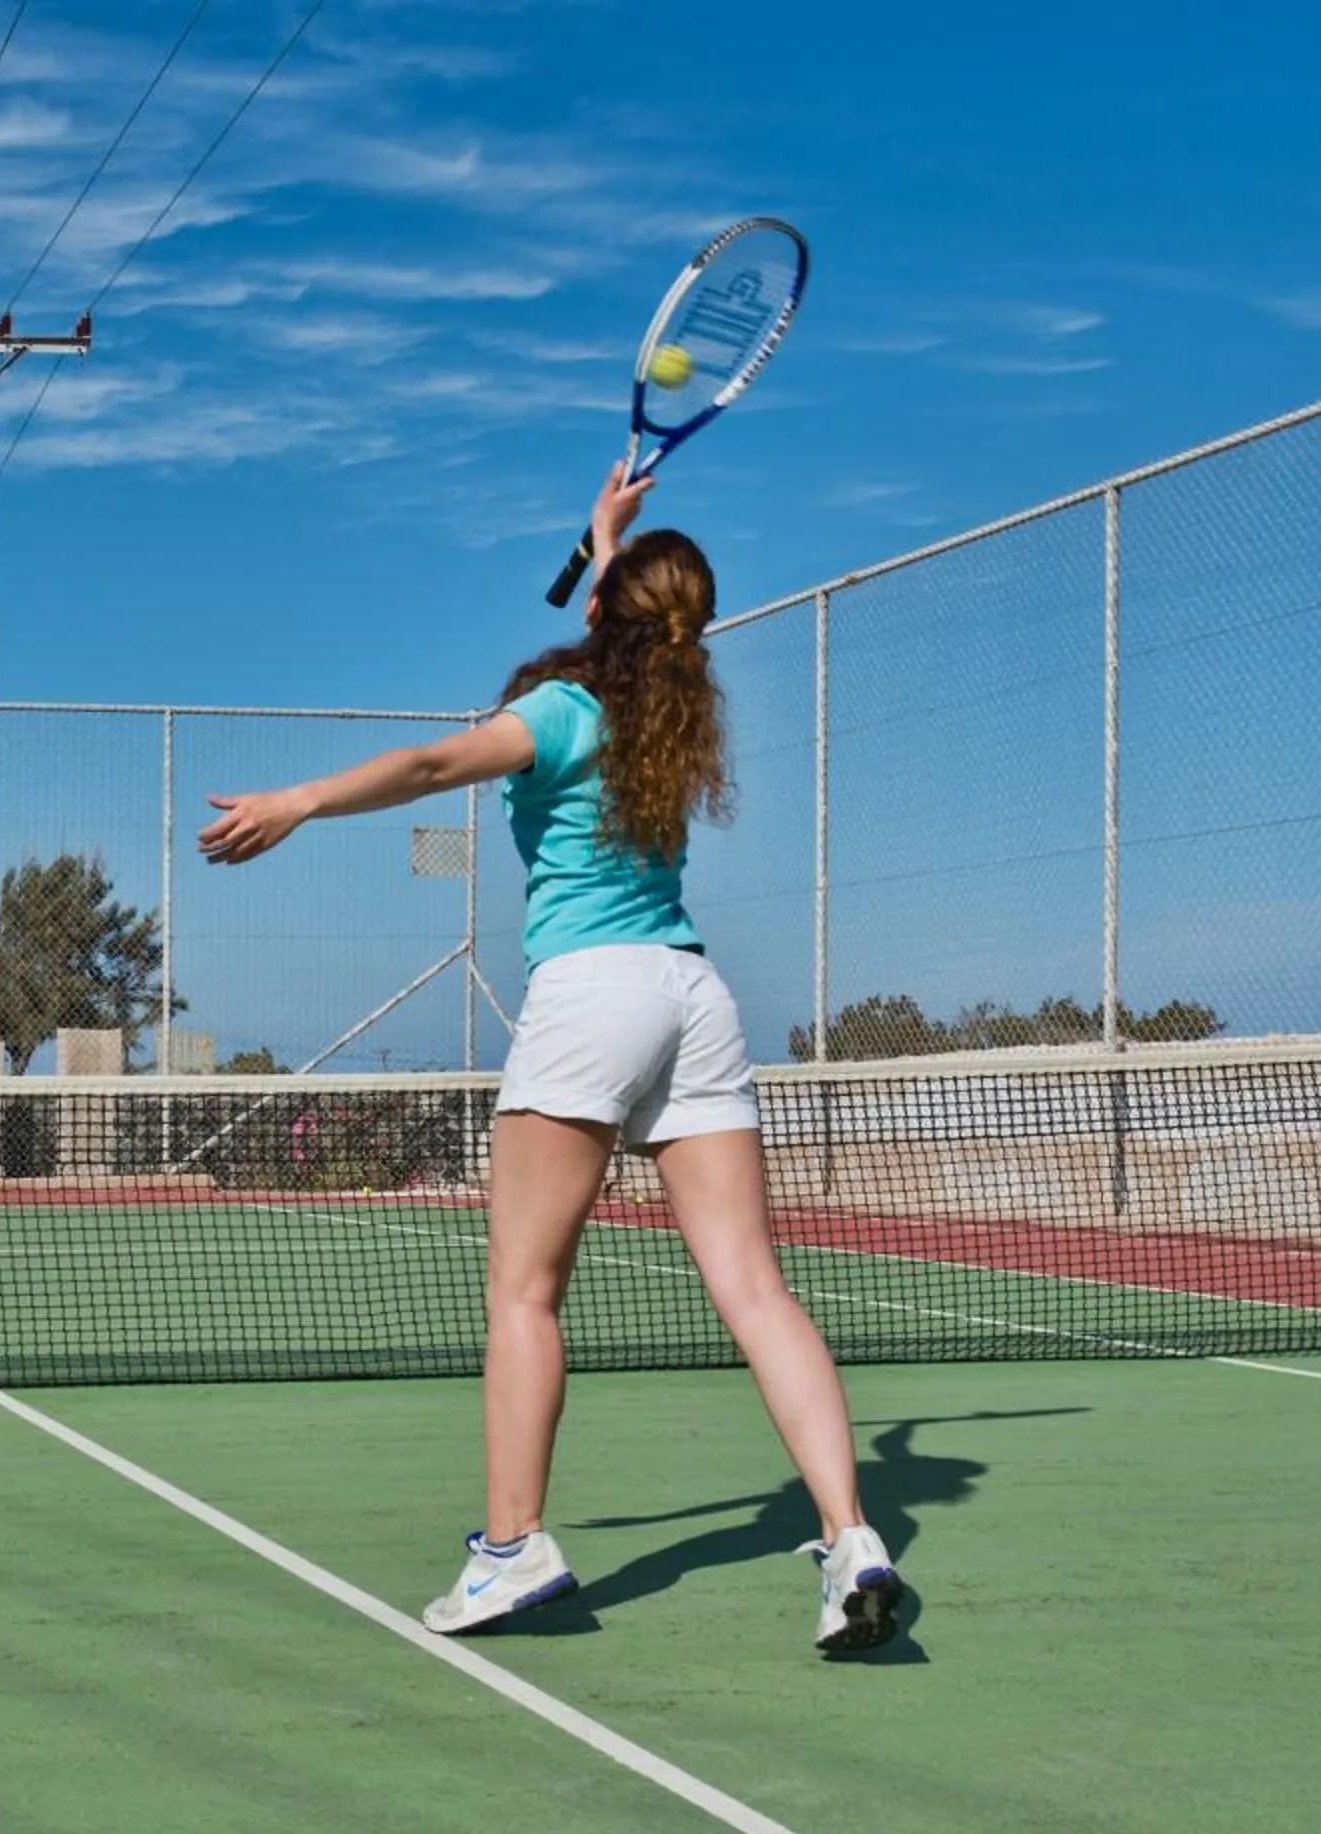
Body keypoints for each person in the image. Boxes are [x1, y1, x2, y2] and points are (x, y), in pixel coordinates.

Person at [196, 465, 903, 1652]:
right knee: (757, 1292)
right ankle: (852, 1538)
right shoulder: (670, 725)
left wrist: (301, 799)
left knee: (525, 1291)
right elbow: (623, 624)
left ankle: (512, 1551)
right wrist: (607, 539)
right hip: (695, 998)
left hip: (595, 996)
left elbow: (430, 765)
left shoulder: (569, 714)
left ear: (605, 616)